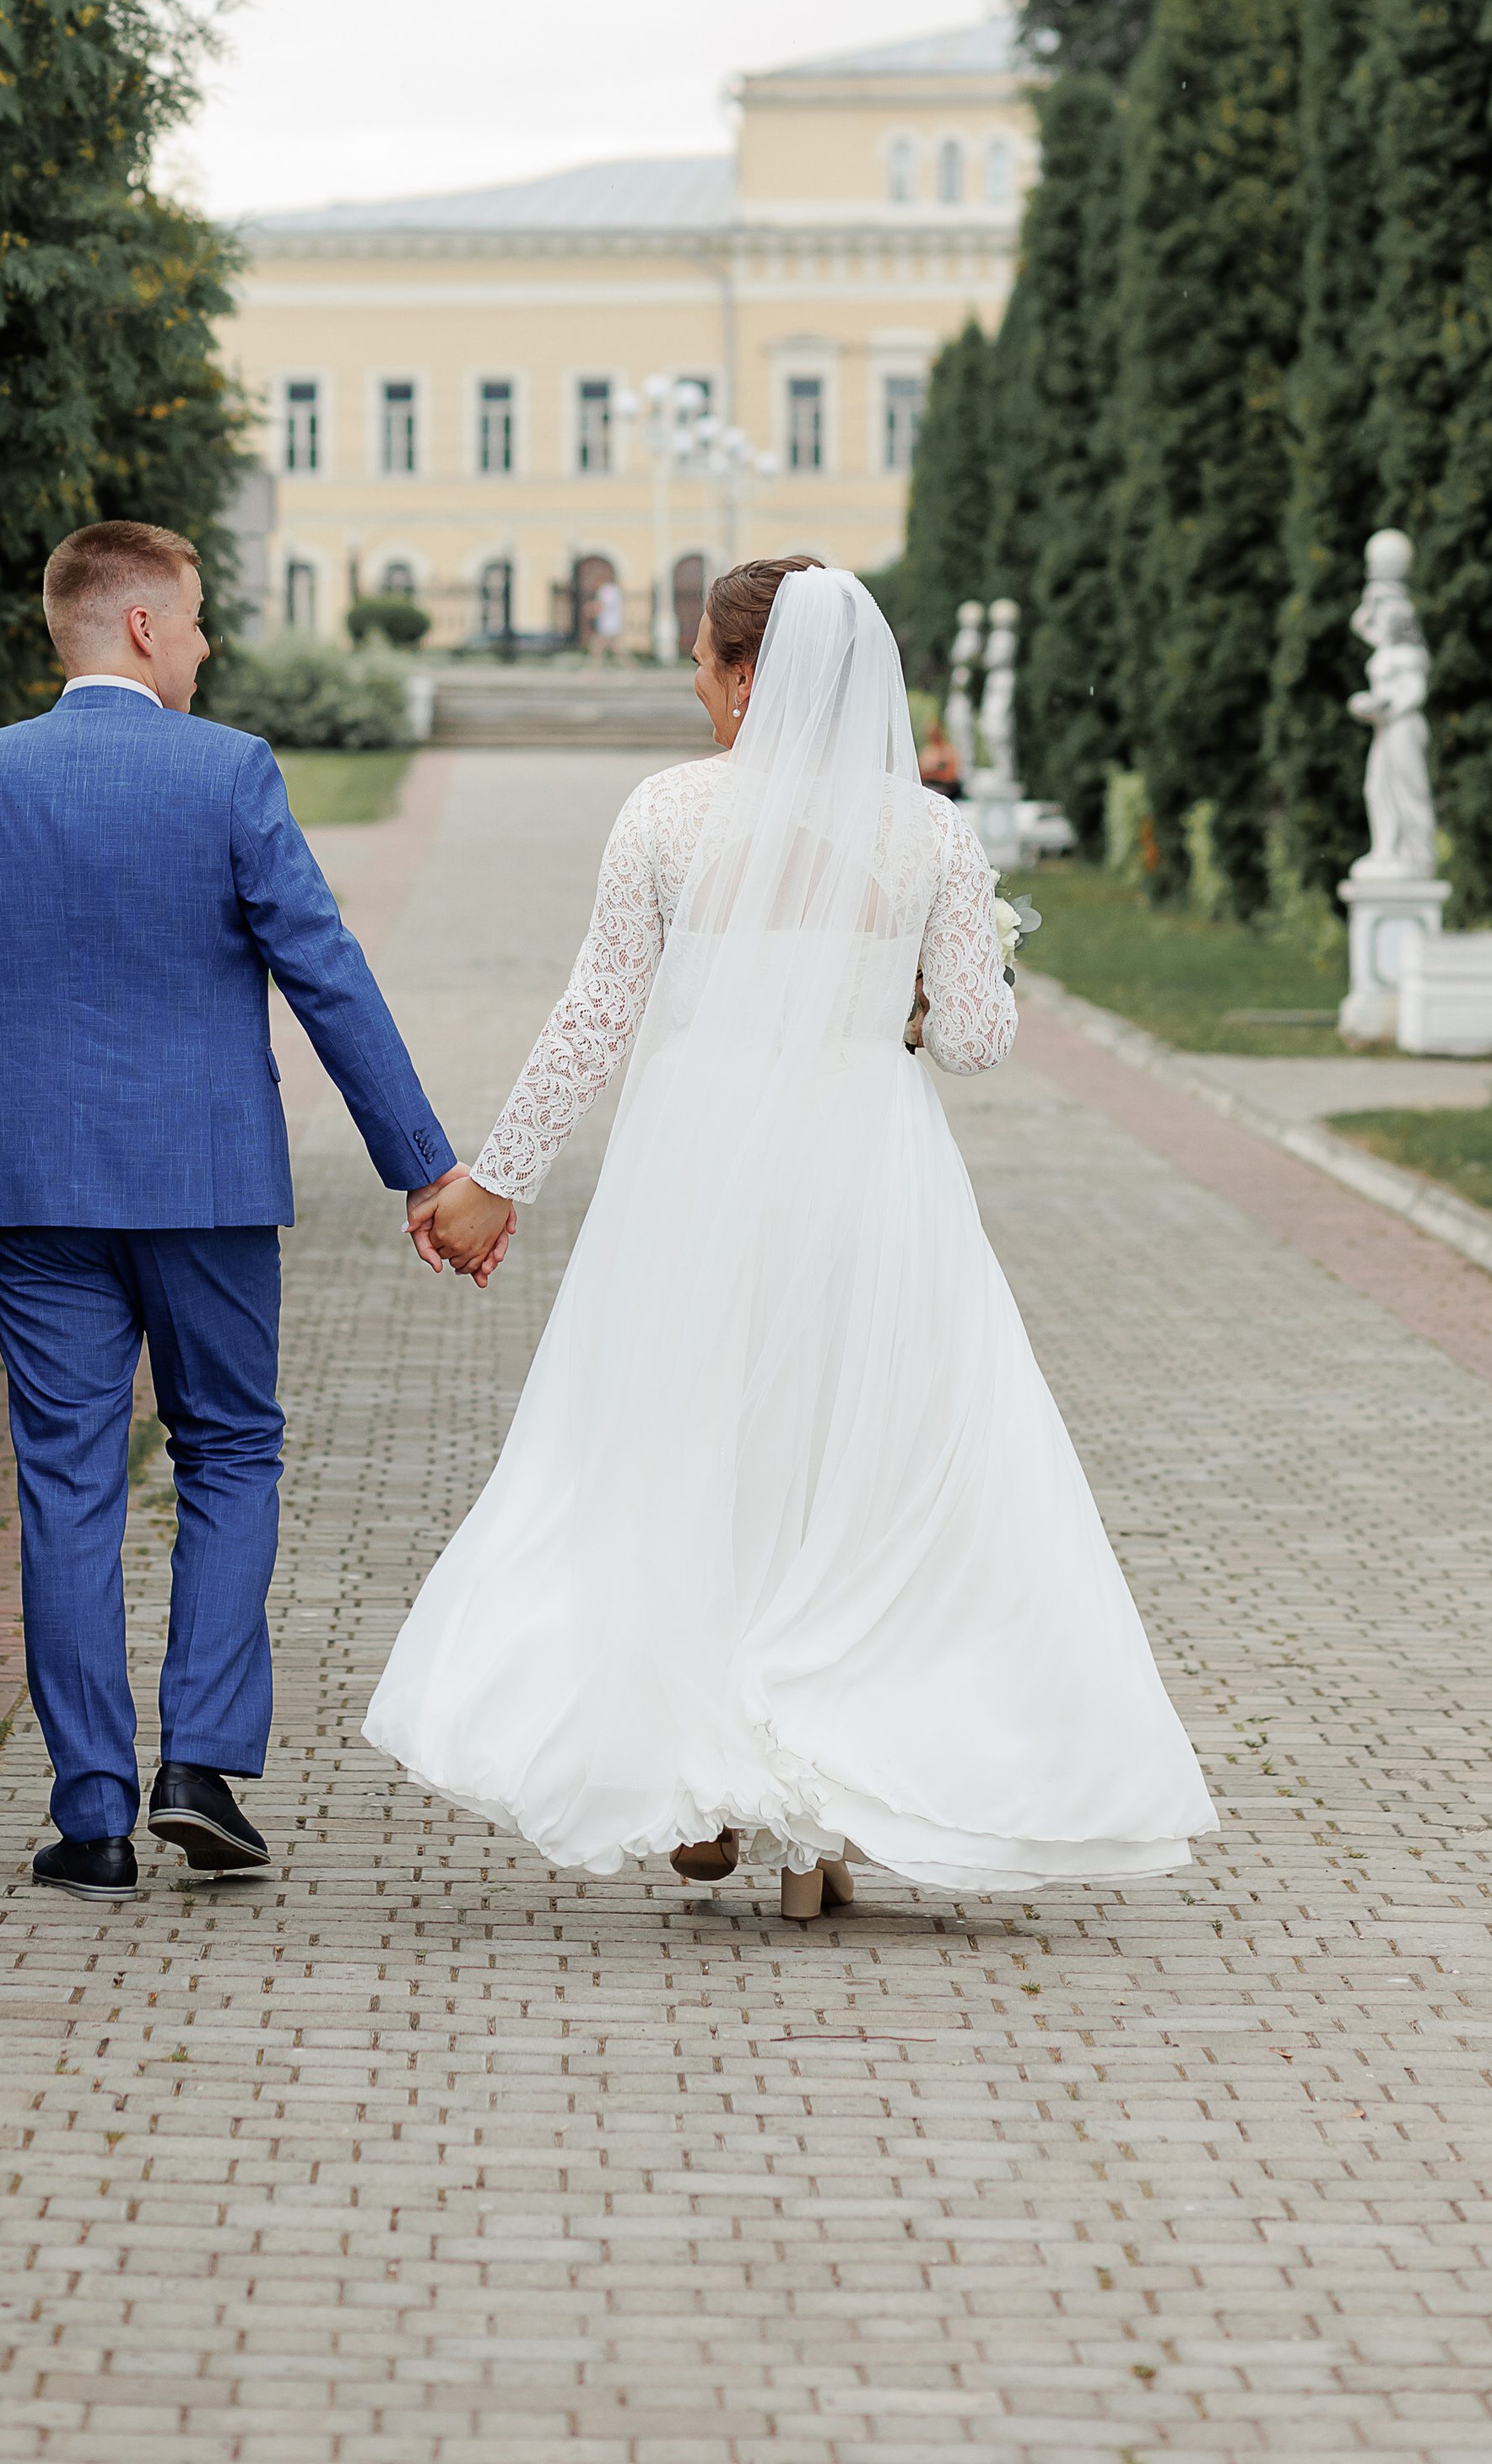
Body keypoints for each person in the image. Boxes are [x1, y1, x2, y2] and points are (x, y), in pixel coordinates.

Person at [368, 558, 1213, 1921]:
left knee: (681, 1451)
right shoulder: (926, 835)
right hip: (869, 1179)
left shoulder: (668, 815)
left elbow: (594, 1020)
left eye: (704, 660)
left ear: (753, 674)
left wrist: (493, 1182)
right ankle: (819, 1799)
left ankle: (695, 1769)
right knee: (853, 1465)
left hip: (695, 1176)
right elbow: (985, 1041)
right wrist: (912, 1000)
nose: (695, 683)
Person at [0, 519, 494, 1904]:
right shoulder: (230, 775)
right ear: (144, 627)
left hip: (28, 1194)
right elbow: (324, 971)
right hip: (205, 1186)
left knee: (69, 1480)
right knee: (227, 1448)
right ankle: (203, 1772)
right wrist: (424, 1166)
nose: (212, 643)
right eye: (203, 618)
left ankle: (92, 1821)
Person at [591, 573, 627, 666]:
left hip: (608, 625)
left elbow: (604, 605)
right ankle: (592, 669)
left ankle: (591, 669)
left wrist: (592, 608)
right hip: (611, 624)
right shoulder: (614, 590)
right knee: (615, 649)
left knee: (598, 647)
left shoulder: (606, 591)